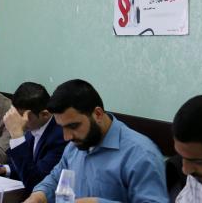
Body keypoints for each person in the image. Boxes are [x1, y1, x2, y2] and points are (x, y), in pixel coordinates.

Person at [25, 79, 168, 203]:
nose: (67, 137)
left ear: (98, 114)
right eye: (62, 127)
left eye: (73, 126)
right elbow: (56, 179)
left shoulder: (140, 154)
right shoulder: (75, 146)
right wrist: (39, 196)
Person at [0, 82, 66, 195]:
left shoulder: (60, 137)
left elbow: (35, 182)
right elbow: (29, 166)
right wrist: (5, 169)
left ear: (44, 114)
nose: (18, 121)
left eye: (23, 116)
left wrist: (17, 135)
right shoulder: (33, 126)